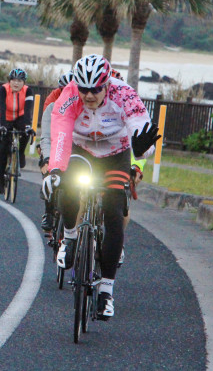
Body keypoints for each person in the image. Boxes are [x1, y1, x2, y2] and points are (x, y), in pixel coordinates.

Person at [41, 54, 160, 320]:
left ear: (107, 84)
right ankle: (70, 237)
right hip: (81, 149)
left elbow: (141, 127)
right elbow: (60, 133)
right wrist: (55, 170)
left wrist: (143, 151)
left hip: (115, 154)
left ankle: (106, 292)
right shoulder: (70, 95)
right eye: (83, 88)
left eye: (95, 89)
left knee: (114, 210)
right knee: (68, 186)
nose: (88, 95)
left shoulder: (124, 95)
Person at [38, 70, 74, 230]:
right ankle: (49, 212)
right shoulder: (51, 105)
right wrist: (47, 158)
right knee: (48, 172)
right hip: (54, 147)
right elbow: (46, 136)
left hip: (74, 152)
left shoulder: (83, 108)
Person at [0, 68, 35, 194]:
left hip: (20, 116)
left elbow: (28, 110)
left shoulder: (28, 91)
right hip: (3, 116)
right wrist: (3, 126)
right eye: (14, 80)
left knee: (26, 131)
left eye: (19, 81)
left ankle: (21, 153)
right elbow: (1, 106)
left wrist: (28, 126)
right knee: (2, 149)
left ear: (24, 82)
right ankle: (1, 180)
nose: (16, 83)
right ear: (9, 81)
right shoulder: (3, 89)